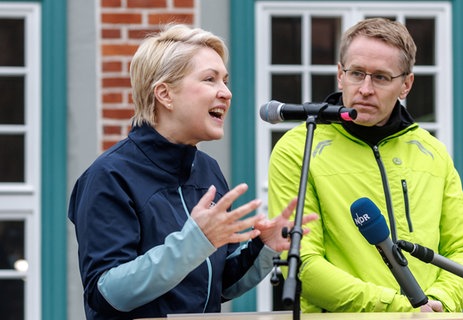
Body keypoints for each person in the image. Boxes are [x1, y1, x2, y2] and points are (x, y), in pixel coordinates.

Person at [68, 23, 317, 320]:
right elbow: (106, 295)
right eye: (210, 79)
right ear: (165, 94)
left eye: (225, 80)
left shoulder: (207, 170)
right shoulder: (109, 176)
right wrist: (194, 242)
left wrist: (262, 248)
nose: (226, 92)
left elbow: (218, 285)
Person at [267, 17, 463, 313]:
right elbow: (304, 261)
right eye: (357, 73)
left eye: (381, 77)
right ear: (340, 74)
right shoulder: (298, 148)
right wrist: (400, 308)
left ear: (406, 84)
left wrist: (441, 302)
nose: (366, 89)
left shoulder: (432, 152)